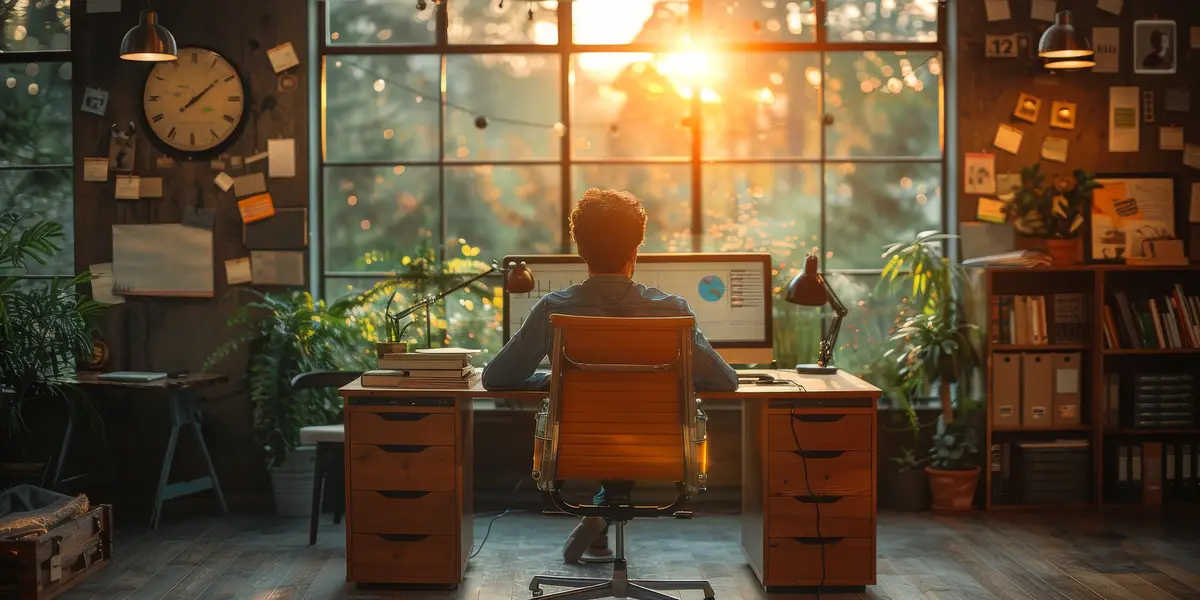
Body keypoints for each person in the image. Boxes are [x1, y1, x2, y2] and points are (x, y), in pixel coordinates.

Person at [482, 188, 738, 564]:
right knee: (633, 419)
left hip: (579, 448)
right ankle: (603, 508)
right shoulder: (672, 312)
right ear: (636, 248)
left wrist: (554, 380)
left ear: (581, 251)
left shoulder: (555, 309)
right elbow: (727, 381)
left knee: (606, 421)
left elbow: (496, 377)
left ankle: (602, 509)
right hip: (658, 450)